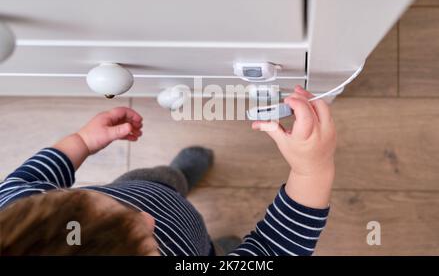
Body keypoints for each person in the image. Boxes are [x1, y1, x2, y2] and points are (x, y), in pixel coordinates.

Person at [0, 86, 336, 256]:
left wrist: (83, 141)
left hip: (143, 186)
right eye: (148, 241)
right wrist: (312, 169)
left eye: (86, 199)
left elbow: (30, 176)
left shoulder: (16, 210)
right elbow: (274, 248)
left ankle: (179, 177)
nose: (148, 218)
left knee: (163, 180)